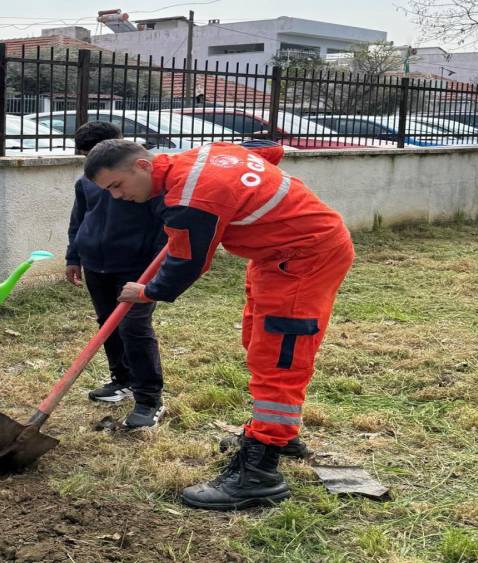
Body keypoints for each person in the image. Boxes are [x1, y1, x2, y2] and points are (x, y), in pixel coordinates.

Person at [82, 139, 354, 510]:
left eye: (117, 185)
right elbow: (267, 151)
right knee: (257, 341)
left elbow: (187, 262)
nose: (117, 196)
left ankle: (260, 471)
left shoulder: (190, 199)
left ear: (143, 166)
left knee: (278, 358)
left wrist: (147, 291)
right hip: (273, 257)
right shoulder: (202, 156)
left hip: (304, 259)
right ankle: (279, 434)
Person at [65, 122, 167, 429]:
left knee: (134, 326)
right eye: (86, 155)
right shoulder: (87, 183)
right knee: (107, 324)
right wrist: (73, 256)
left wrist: (154, 273)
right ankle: (122, 380)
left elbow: (164, 230)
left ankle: (149, 398)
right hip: (96, 264)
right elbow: (79, 219)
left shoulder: (148, 183)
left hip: (136, 267)